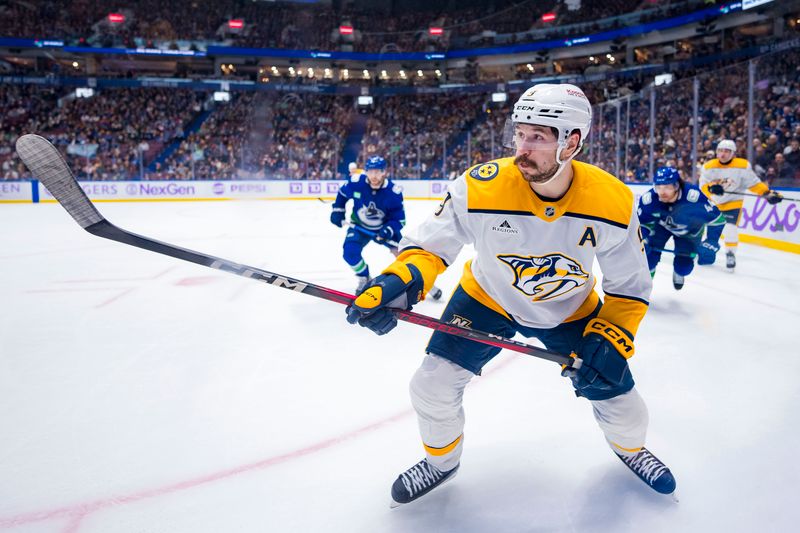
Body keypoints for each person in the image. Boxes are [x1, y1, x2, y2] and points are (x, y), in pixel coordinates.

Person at [344, 83, 676, 506]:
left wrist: (612, 334)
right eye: (519, 133)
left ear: (572, 141)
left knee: (624, 405)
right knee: (430, 386)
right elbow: (429, 247)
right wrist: (399, 281)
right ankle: (443, 462)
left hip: (570, 309)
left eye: (538, 137)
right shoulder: (479, 186)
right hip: (486, 297)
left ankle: (631, 450)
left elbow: (629, 286)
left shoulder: (612, 201)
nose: (522, 147)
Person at [699, 139, 783, 270]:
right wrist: (711, 188)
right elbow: (702, 186)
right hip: (714, 203)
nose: (723, 154)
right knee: (712, 233)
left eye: (727, 151)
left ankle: (730, 253)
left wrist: (767, 193)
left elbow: (754, 183)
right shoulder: (709, 166)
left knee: (730, 228)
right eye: (720, 151)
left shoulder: (742, 166)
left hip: (733, 202)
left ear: (733, 153)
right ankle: (706, 253)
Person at [637, 167, 725, 290]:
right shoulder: (649, 199)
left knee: (683, 267)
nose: (662, 192)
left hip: (690, 232)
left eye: (667, 187)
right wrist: (641, 240)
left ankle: (679, 272)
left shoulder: (694, 198)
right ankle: (643, 288)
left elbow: (718, 220)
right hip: (661, 227)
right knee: (648, 258)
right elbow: (643, 223)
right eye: (659, 187)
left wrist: (711, 242)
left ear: (677, 185)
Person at [330, 155, 406, 292]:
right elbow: (342, 194)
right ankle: (364, 277)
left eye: (378, 172)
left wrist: (387, 231)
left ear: (384, 172)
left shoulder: (393, 192)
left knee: (404, 255)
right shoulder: (356, 182)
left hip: (384, 228)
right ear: (366, 171)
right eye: (370, 172)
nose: (374, 176)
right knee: (350, 253)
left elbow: (399, 219)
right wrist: (338, 211)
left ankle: (412, 280)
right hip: (359, 226)